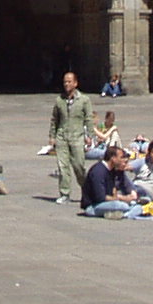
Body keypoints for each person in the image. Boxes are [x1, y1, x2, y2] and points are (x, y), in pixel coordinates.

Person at [49, 72, 92, 205]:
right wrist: (52, 136)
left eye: (69, 82)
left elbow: (88, 118)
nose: (66, 84)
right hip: (62, 136)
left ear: (75, 83)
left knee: (79, 166)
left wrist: (90, 136)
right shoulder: (59, 100)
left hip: (77, 137)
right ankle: (64, 193)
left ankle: (87, 190)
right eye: (65, 82)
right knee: (62, 167)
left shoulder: (84, 100)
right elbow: (54, 119)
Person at [80, 146, 142, 217]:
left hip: (108, 204)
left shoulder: (112, 171)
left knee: (138, 207)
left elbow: (114, 192)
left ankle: (123, 214)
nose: (123, 160)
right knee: (121, 205)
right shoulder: (98, 171)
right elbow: (100, 197)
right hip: (93, 206)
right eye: (121, 157)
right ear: (113, 158)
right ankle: (126, 213)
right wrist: (123, 198)